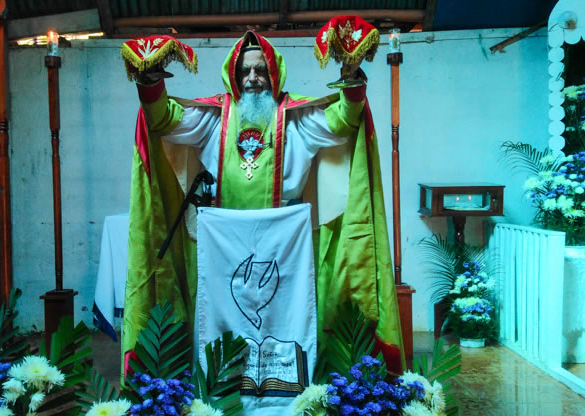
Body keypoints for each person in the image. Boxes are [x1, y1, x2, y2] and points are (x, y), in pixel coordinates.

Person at [123, 32, 405, 374]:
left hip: (284, 241)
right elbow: (163, 120)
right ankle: (222, 381)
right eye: (245, 71)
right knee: (223, 315)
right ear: (234, 75)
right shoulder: (215, 117)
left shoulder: (296, 117)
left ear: (274, 73)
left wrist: (351, 76)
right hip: (225, 241)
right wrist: (151, 81)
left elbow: (343, 121)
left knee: (282, 316)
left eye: (261, 70)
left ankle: (284, 381)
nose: (253, 78)